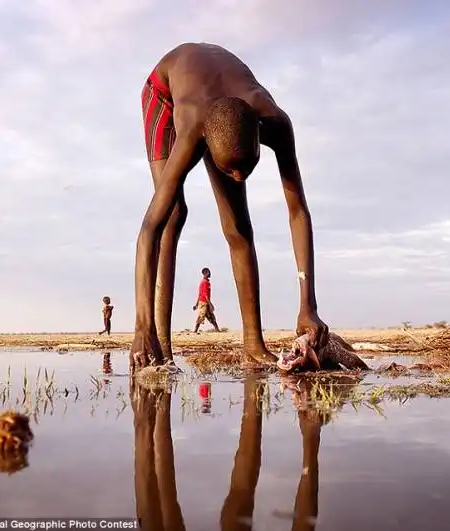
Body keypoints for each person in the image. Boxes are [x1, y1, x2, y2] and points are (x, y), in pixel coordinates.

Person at [130, 43, 328, 371]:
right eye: (228, 169)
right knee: (172, 215)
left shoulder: (276, 122)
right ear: (204, 142)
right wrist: (141, 328)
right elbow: (149, 228)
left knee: (239, 228)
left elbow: (297, 211)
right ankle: (159, 347)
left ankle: (253, 344)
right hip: (164, 93)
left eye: (247, 167)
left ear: (258, 134)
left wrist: (308, 304)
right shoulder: (193, 126)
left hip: (222, 105)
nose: (237, 178)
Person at [193, 267, 220, 333]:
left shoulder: (206, 282)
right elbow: (205, 294)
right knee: (201, 316)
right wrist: (210, 304)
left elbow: (200, 294)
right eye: (209, 272)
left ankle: (217, 330)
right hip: (203, 302)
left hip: (204, 302)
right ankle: (195, 331)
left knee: (211, 316)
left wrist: (196, 304)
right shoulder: (205, 283)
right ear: (205, 273)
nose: (210, 274)